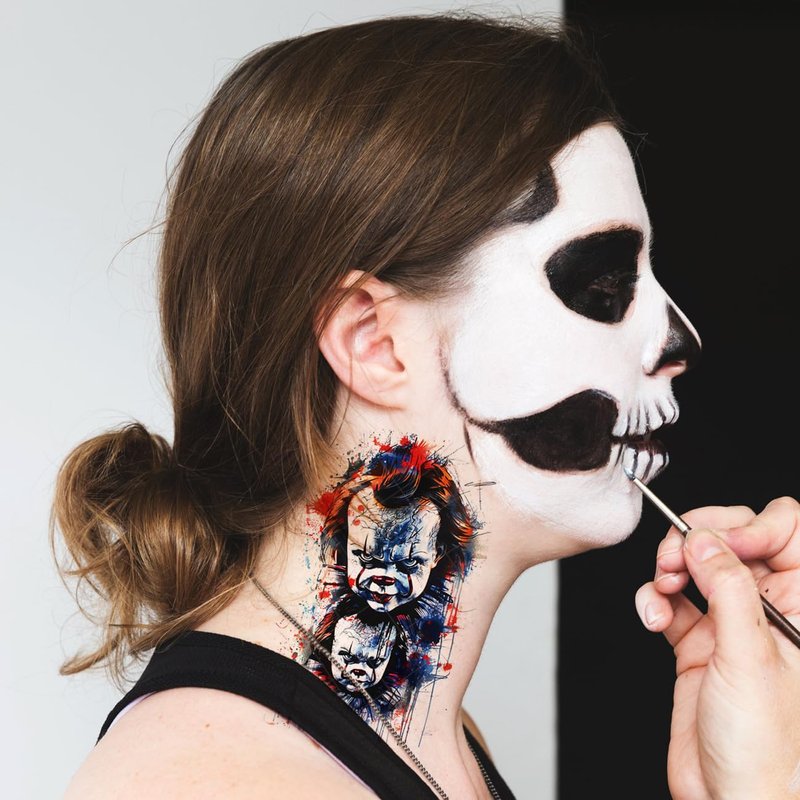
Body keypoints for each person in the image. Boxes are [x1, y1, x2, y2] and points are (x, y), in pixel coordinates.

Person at [48, 10, 800, 799]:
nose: (678, 339)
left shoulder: (416, 736)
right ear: (374, 342)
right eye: (606, 286)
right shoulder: (232, 783)